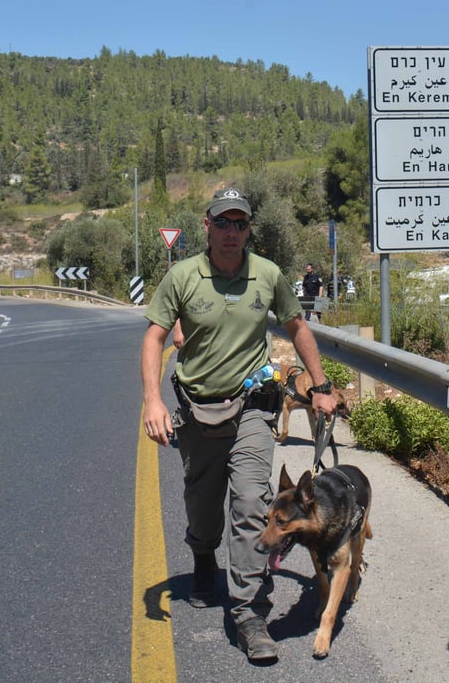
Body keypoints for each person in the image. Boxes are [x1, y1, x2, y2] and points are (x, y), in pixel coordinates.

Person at [141, 187, 338, 663]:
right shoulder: (183, 276)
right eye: (223, 223)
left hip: (252, 405)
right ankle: (204, 556)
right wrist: (152, 400)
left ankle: (250, 613)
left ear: (250, 229)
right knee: (202, 501)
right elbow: (154, 336)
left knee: (252, 501)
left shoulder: (267, 274)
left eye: (240, 224)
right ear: (206, 225)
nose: (232, 232)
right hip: (197, 407)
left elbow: (297, 326)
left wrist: (321, 384)